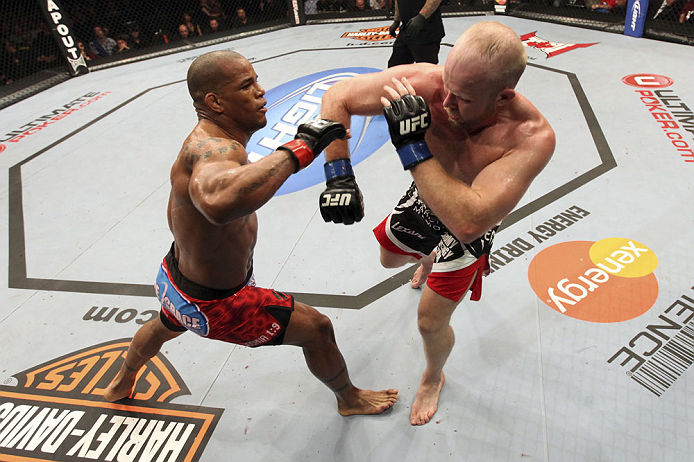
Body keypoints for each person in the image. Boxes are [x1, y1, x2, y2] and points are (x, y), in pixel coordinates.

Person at [103, 50, 399, 417]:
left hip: (177, 280)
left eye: (257, 80)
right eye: (247, 85)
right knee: (318, 330)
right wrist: (301, 148)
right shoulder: (212, 149)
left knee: (165, 323)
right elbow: (219, 200)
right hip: (222, 304)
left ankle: (121, 380)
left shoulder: (211, 141)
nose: (261, 92)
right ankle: (349, 399)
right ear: (215, 101)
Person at [319, 21, 555, 425]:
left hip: (470, 222)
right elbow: (337, 95)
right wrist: (339, 170)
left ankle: (433, 376)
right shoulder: (426, 83)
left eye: (461, 98)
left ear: (503, 96)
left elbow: (468, 222)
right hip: (426, 195)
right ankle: (425, 259)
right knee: (387, 261)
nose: (444, 101)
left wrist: (410, 145)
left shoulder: (531, 137)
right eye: (446, 84)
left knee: (430, 322)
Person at [387, 0, 444, 68]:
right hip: (407, 28)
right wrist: (397, 20)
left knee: (425, 70)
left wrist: (421, 17)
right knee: (395, 67)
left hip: (426, 31)